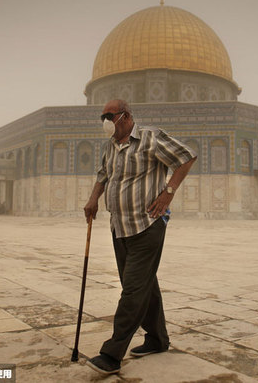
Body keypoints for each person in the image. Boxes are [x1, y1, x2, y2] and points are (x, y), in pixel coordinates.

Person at [83, 99, 197, 375]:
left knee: (132, 290)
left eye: (109, 116)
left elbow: (186, 156)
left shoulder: (150, 137)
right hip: (120, 227)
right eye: (103, 117)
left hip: (147, 226)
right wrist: (93, 199)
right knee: (144, 285)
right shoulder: (110, 146)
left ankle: (112, 354)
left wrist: (168, 193)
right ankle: (158, 339)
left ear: (125, 116)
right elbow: (103, 174)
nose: (106, 122)